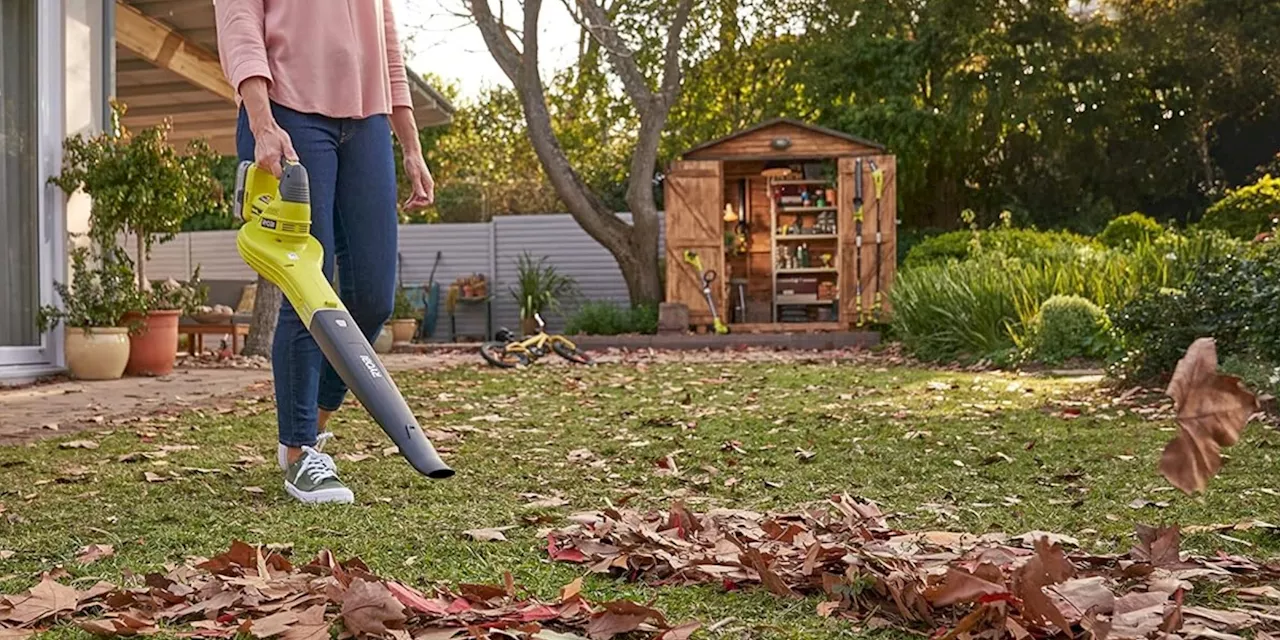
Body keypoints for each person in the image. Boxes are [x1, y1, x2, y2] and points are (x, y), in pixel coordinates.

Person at [214, 0, 435, 504]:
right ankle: (298, 451)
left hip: (368, 121)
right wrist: (261, 121)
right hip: (288, 110)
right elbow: (239, 21)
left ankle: (311, 427)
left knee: (375, 296)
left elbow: (387, 43)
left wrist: (411, 143)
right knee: (305, 283)